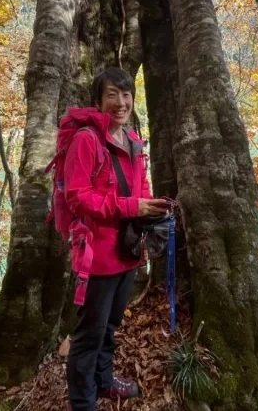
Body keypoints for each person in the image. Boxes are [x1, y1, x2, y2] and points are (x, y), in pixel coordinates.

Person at [63, 67, 168, 411]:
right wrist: (131, 207)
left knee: (110, 324)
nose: (121, 102)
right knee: (90, 333)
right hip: (98, 255)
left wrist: (151, 208)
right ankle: (83, 402)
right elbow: (77, 197)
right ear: (98, 101)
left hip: (128, 250)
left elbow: (141, 186)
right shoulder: (87, 140)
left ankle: (104, 381)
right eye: (112, 95)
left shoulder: (132, 139)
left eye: (126, 95)